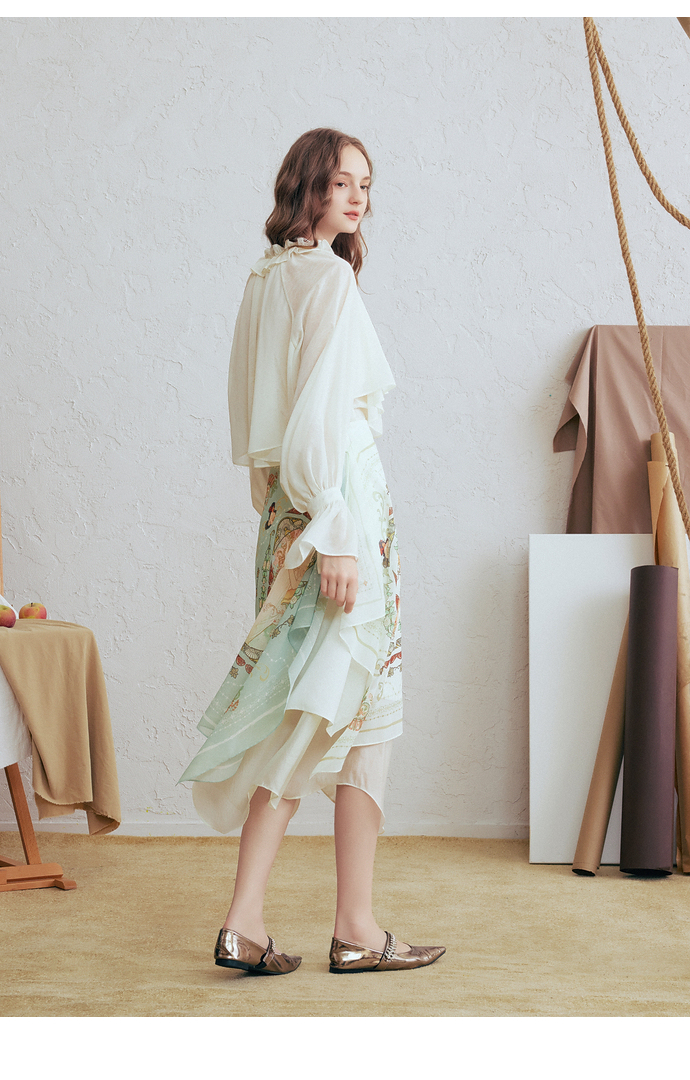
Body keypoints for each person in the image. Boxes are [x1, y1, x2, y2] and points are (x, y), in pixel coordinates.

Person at [179, 128, 445, 976]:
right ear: (308, 186)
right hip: (336, 519)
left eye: (367, 183)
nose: (359, 197)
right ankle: (318, 926)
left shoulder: (266, 278)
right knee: (334, 717)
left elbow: (262, 431)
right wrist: (334, 529)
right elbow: (320, 419)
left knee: (332, 718)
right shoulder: (324, 278)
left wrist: (296, 519)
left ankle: (296, 923)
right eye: (341, 181)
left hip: (296, 518)